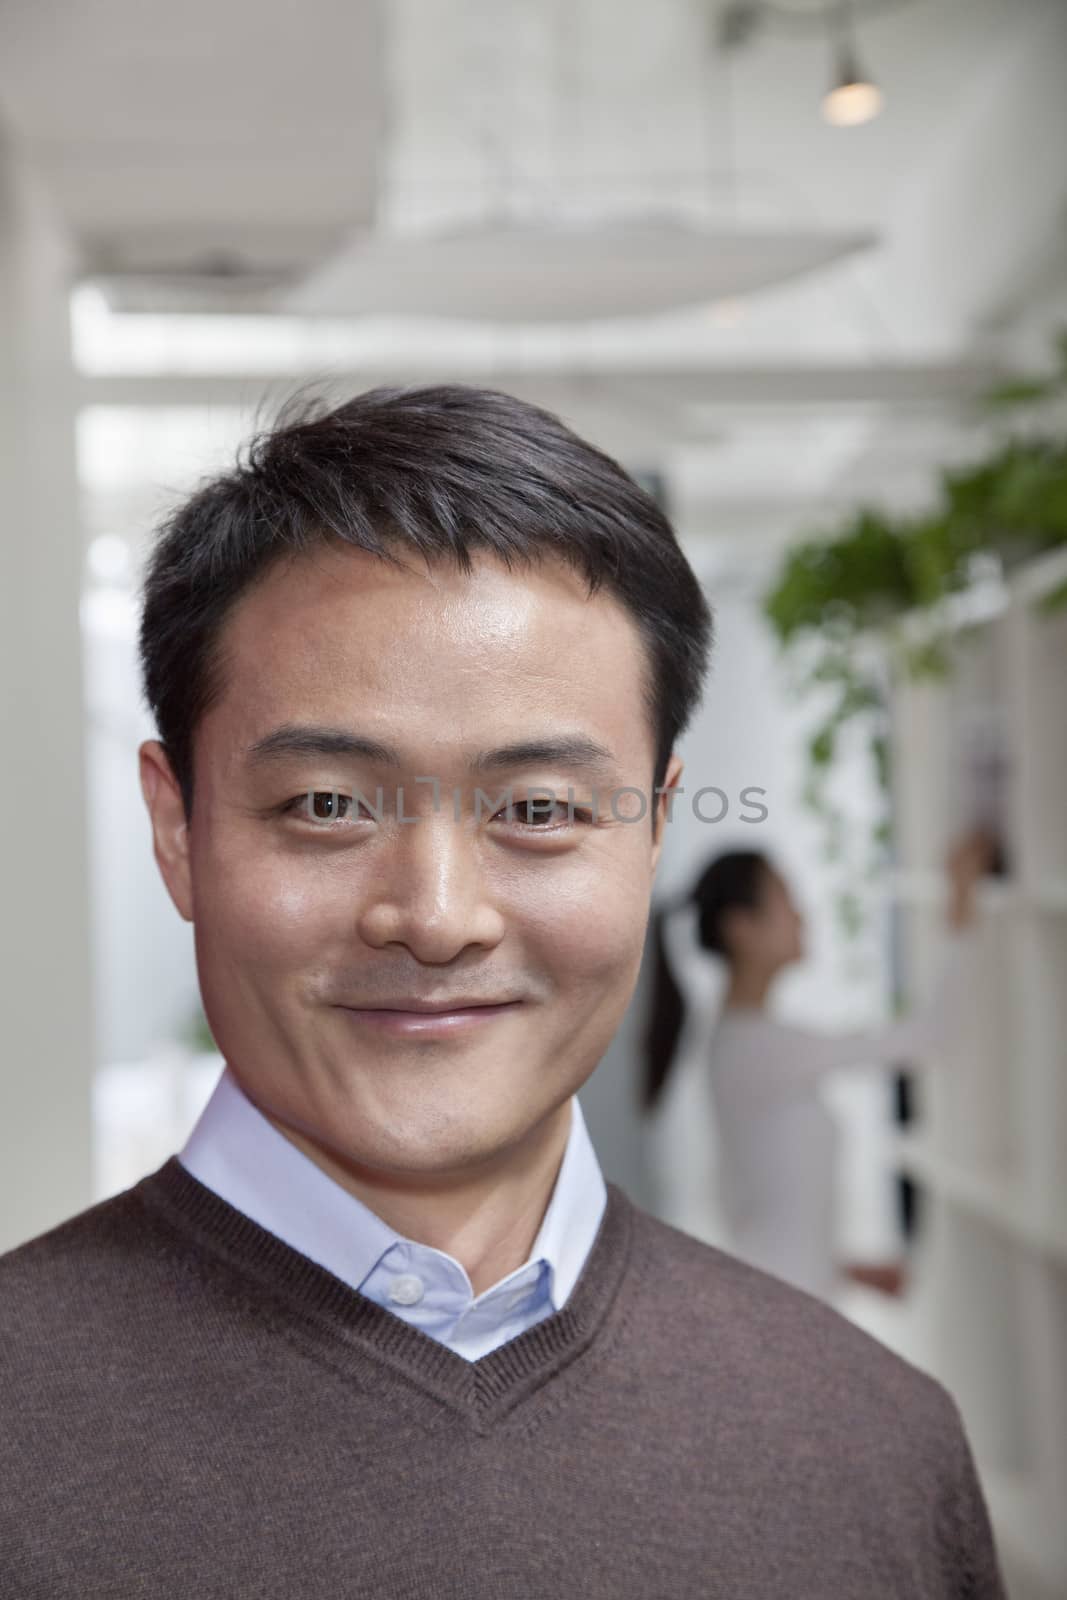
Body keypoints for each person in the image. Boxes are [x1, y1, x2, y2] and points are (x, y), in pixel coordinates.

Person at [0, 385, 1007, 1597]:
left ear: (650, 835)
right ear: (180, 830)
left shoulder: (874, 1443)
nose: (434, 916)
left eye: (537, 810)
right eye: (327, 803)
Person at [642, 828, 995, 1304]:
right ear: (740, 927)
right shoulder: (756, 1048)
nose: (801, 914)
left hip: (784, 1309)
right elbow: (926, 1037)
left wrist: (846, 1270)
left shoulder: (738, 1044)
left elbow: (757, 1204)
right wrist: (959, 902)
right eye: (784, 899)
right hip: (785, 1321)